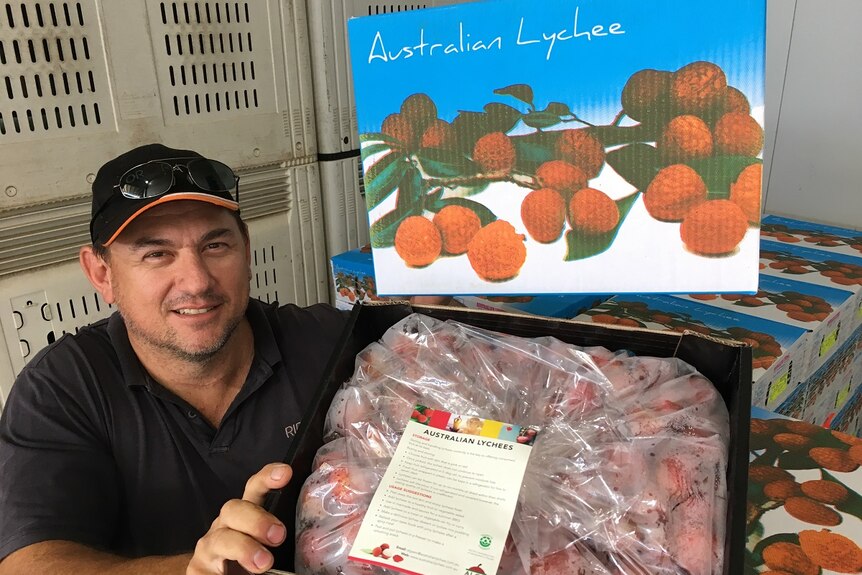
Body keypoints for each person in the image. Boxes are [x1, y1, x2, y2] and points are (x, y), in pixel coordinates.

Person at [0, 143, 351, 574]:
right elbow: (31, 564)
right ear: (102, 274)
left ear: (245, 247)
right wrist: (194, 570)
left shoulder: (328, 341)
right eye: (156, 254)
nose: (197, 282)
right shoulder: (64, 386)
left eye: (216, 245)